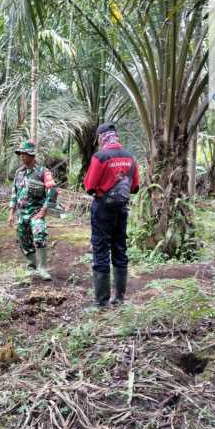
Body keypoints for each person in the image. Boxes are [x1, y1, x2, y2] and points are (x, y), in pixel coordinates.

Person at [83, 123, 140, 306]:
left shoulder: (100, 157)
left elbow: (89, 187)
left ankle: (101, 302)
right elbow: (135, 188)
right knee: (120, 249)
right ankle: (119, 299)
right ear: (116, 136)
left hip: (103, 209)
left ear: (101, 138)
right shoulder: (131, 158)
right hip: (121, 209)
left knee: (100, 249)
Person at [8, 140, 57, 280]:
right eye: (21, 154)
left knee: (39, 235)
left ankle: (42, 268)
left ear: (32, 155)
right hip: (22, 214)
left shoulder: (43, 172)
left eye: (25, 154)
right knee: (24, 240)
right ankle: (31, 266)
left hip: (36, 212)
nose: (22, 156)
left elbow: (52, 190)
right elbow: (14, 193)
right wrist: (11, 213)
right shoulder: (19, 173)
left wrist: (44, 211)